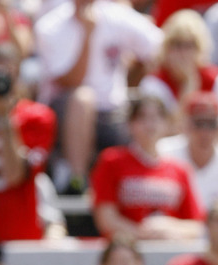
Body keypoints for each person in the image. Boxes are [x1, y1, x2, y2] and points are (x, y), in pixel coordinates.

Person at [35, 0, 163, 194]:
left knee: (150, 103)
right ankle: (76, 181)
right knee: (83, 98)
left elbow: (159, 47)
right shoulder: (51, 25)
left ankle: (144, 183)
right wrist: (88, 34)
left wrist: (138, 71)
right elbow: (70, 80)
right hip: (63, 115)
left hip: (113, 113)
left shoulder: (116, 15)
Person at [90, 94, 206, 240]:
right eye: (142, 118)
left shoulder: (179, 169)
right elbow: (106, 219)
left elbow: (197, 225)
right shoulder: (111, 161)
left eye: (157, 117)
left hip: (169, 252)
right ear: (130, 124)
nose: (150, 124)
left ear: (167, 124)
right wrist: (142, 235)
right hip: (126, 253)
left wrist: (171, 228)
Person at [0, 43, 57, 242]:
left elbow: (14, 175)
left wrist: (4, 118)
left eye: (8, 73)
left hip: (21, 235)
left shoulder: (37, 118)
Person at [138, 9, 218, 150]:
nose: (183, 53)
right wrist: (189, 85)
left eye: (190, 45)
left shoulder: (217, 78)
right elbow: (161, 132)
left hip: (210, 150)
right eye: (177, 45)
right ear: (166, 48)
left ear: (200, 48)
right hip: (170, 152)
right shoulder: (153, 82)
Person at [157, 91, 218, 211]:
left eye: (211, 124)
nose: (205, 131)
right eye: (199, 123)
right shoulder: (162, 153)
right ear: (185, 124)